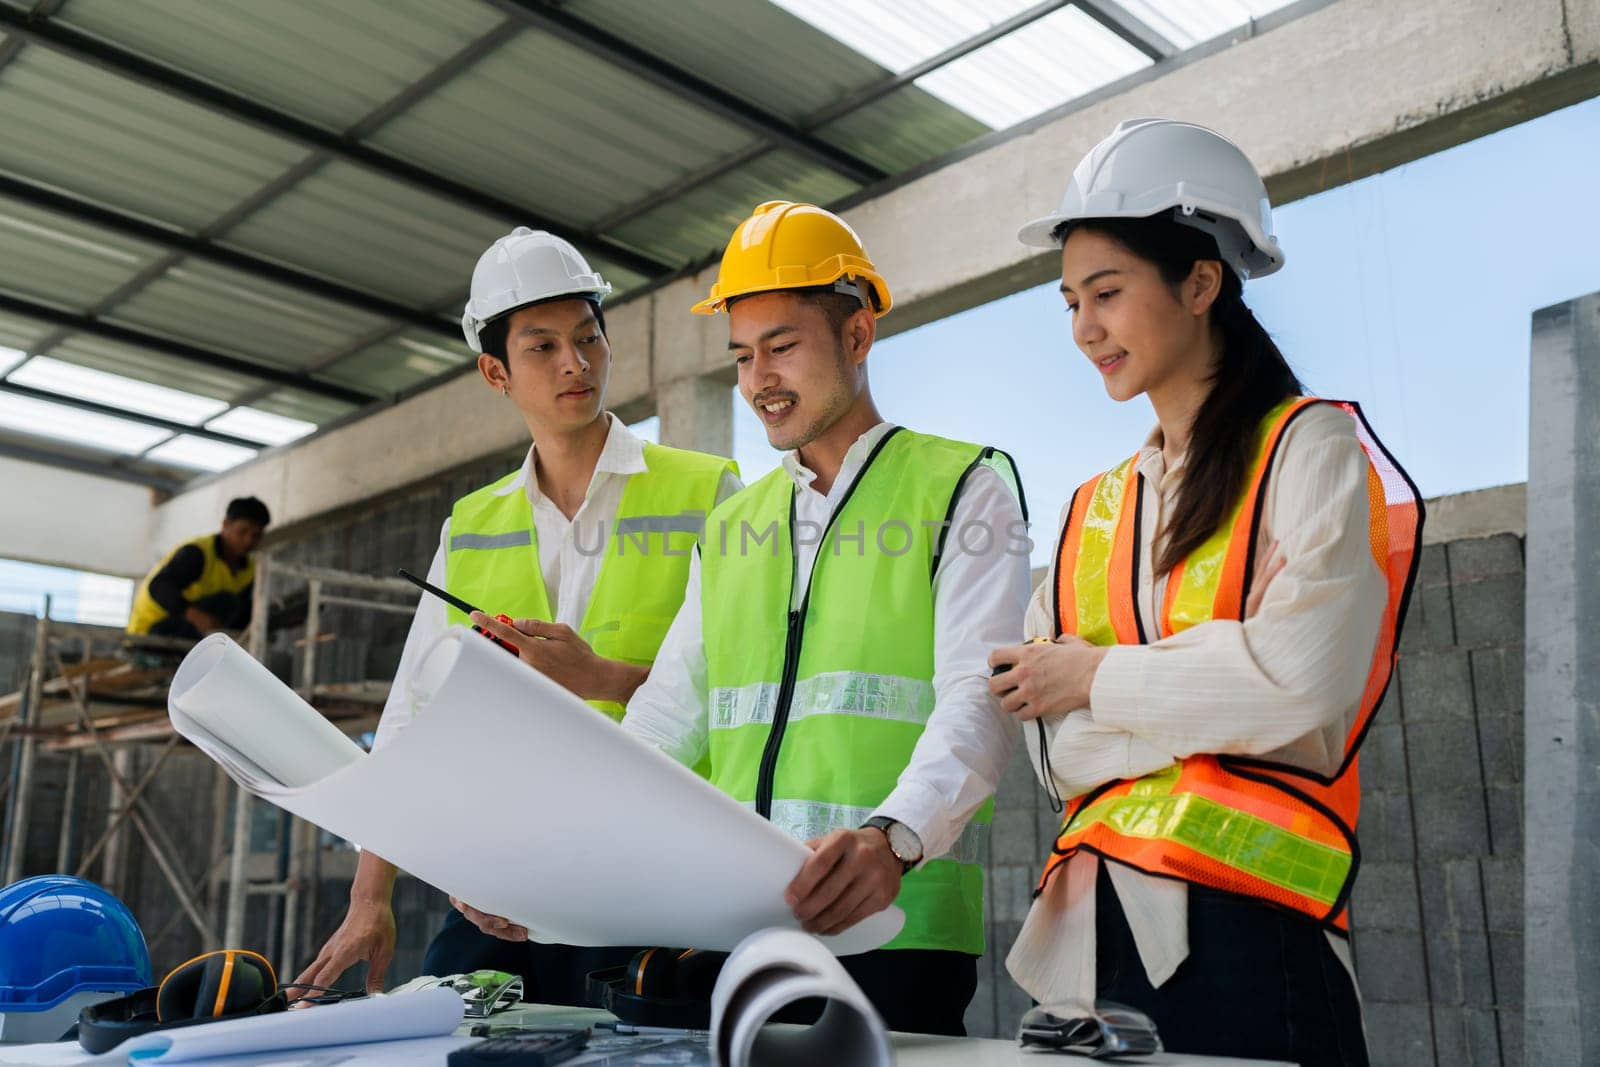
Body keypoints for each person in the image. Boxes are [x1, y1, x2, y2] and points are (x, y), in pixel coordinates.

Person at [475, 201, 1031, 1035]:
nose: (759, 380)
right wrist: (544, 856)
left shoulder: (963, 487)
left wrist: (894, 837)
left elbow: (977, 698)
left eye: (782, 347)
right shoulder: (733, 526)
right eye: (741, 357)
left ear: (856, 336)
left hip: (893, 928)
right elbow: (668, 718)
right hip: (740, 934)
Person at [989, 119, 1422, 1066]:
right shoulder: (1088, 510)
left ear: (1200, 283)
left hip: (1252, 940)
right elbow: (1052, 744)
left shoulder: (1305, 448)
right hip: (1094, 940)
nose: (1083, 329)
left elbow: (1301, 685)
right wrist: (1206, 693)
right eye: (1069, 301)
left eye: (1106, 293)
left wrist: (1095, 677)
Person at [293, 227, 740, 1006]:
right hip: (496, 895)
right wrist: (371, 895)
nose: (575, 363)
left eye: (587, 337)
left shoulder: (710, 490)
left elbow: (746, 690)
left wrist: (601, 676)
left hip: (647, 890)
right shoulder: (469, 524)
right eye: (542, 347)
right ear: (495, 371)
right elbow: (412, 714)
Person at [126, 497, 270, 638]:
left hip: (188, 629)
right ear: (226, 525)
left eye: (256, 535)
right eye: (242, 531)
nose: (248, 540)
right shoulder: (197, 553)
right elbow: (158, 587)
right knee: (227, 602)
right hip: (150, 630)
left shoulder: (250, 569)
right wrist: (194, 615)